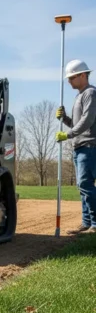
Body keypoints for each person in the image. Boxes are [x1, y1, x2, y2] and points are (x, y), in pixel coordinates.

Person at [55, 59, 96, 234]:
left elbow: (88, 121)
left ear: (82, 75)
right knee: (81, 186)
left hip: (89, 145)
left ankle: (94, 224)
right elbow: (77, 124)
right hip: (79, 147)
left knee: (85, 184)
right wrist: (64, 119)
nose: (69, 81)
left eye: (72, 77)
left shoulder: (90, 93)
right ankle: (86, 223)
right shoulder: (79, 96)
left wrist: (68, 135)